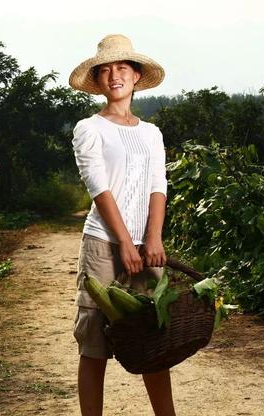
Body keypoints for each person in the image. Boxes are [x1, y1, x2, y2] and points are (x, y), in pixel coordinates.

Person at [68, 34, 174, 415]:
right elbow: (99, 186)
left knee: (154, 341)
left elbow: (157, 186)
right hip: (102, 246)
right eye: (106, 69)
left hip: (146, 247)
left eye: (123, 67)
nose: (115, 75)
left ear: (136, 75)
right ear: (98, 80)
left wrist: (153, 238)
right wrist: (126, 242)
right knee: (94, 345)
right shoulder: (89, 128)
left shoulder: (151, 133)